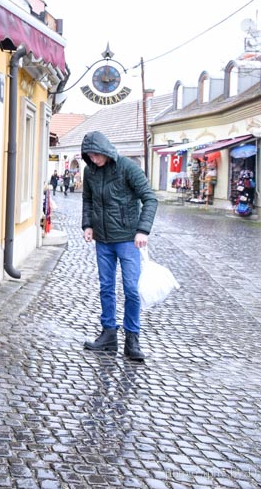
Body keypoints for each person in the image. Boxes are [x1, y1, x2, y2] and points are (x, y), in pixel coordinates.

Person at [80, 131, 159, 361]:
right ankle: (109, 334)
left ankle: (132, 339)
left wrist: (142, 230)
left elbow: (150, 198)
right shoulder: (89, 171)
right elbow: (87, 198)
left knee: (131, 290)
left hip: (127, 239)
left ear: (106, 150)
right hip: (102, 240)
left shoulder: (127, 167)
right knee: (106, 288)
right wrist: (88, 225)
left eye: (96, 154)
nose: (94, 159)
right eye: (89, 156)